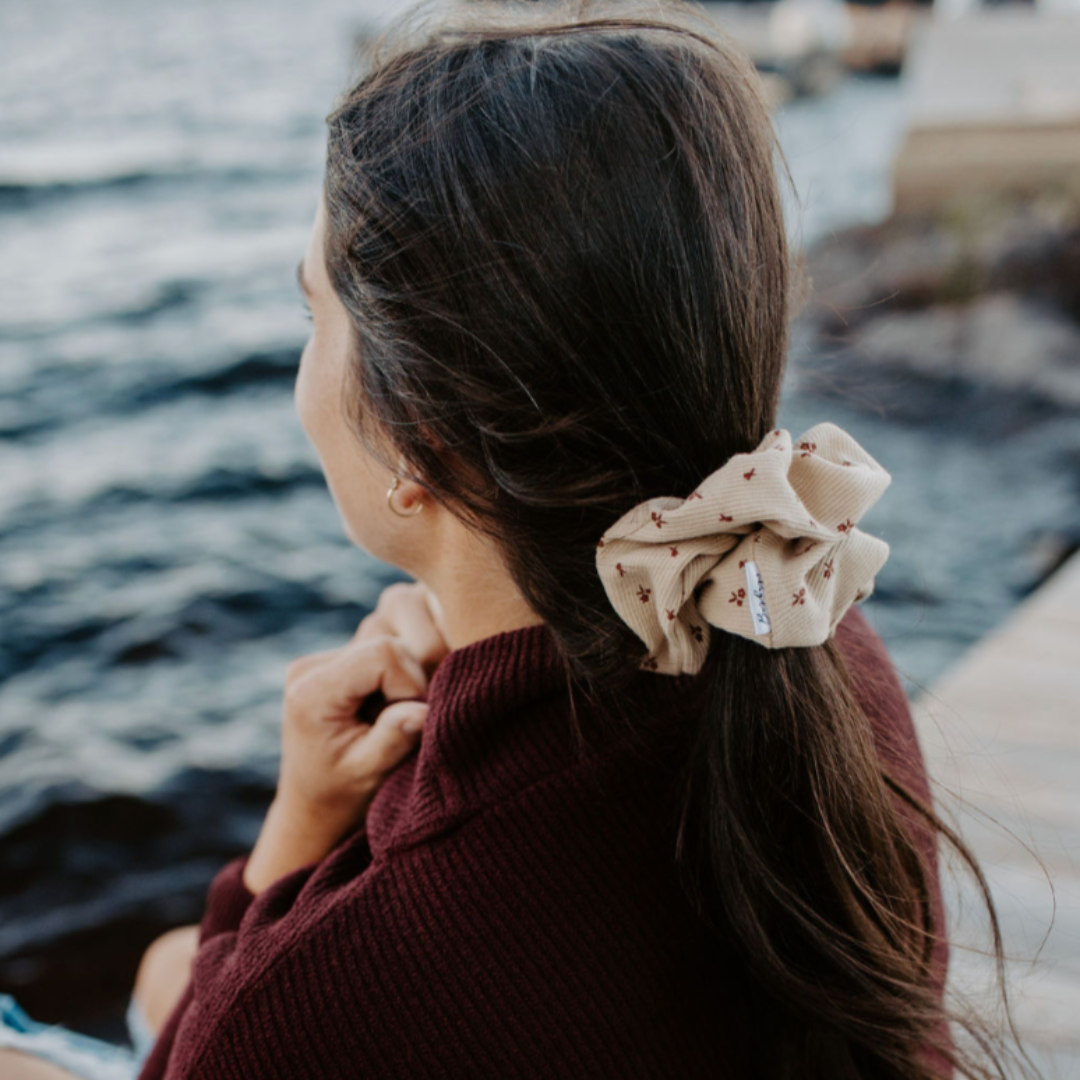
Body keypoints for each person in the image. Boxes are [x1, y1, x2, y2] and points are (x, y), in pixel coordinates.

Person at [1, 0, 1032, 1076]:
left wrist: (298, 824)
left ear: (414, 439)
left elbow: (217, 1043)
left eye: (315, 319)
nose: (303, 370)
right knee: (172, 969)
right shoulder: (810, 648)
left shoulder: (327, 985)